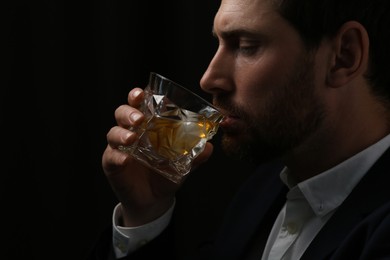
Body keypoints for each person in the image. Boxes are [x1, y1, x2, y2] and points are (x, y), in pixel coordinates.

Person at [88, 0, 390, 259]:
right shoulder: (260, 193)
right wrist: (145, 213)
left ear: (344, 56)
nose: (208, 79)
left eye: (246, 47)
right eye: (218, 43)